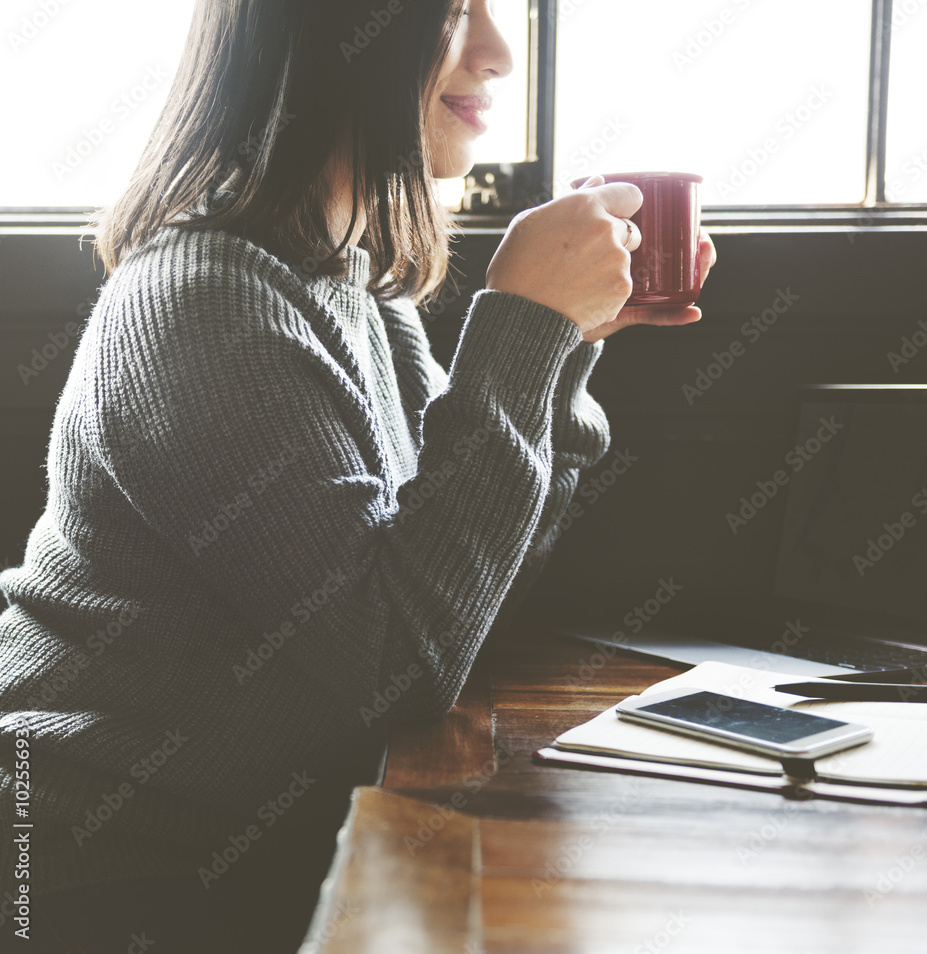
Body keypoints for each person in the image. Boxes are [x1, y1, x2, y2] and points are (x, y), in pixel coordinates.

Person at [0, 1, 715, 951]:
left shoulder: (352, 275)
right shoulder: (207, 298)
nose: (499, 54)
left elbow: (461, 595)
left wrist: (560, 345)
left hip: (235, 838)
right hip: (87, 864)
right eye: (457, 12)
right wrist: (519, 328)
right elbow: (397, 665)